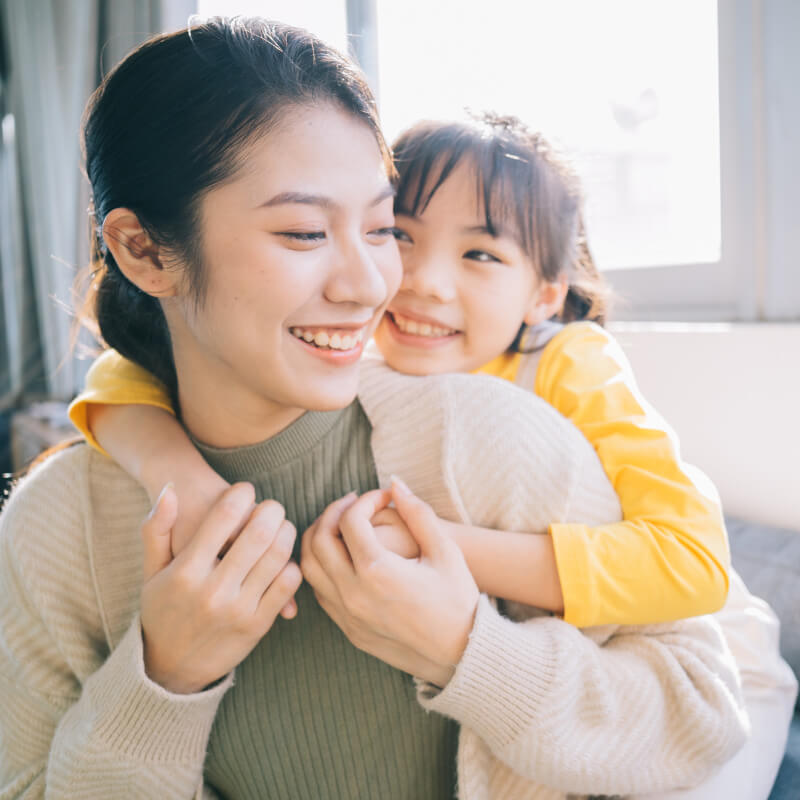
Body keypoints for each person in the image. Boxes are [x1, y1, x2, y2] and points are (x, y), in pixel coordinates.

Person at [0, 17, 750, 800]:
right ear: (145, 251)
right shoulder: (54, 526)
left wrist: (468, 649)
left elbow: (702, 715)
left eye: (378, 226)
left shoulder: (491, 432)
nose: (372, 284)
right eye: (302, 232)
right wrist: (163, 680)